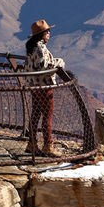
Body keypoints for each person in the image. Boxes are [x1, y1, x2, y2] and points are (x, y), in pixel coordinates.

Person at [24, 19, 65, 156]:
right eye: (47, 32)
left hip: (33, 86)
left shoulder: (31, 48)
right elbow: (44, 67)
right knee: (47, 117)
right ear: (41, 34)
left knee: (35, 114)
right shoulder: (40, 48)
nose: (49, 34)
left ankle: (32, 144)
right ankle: (48, 145)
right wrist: (59, 62)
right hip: (43, 86)